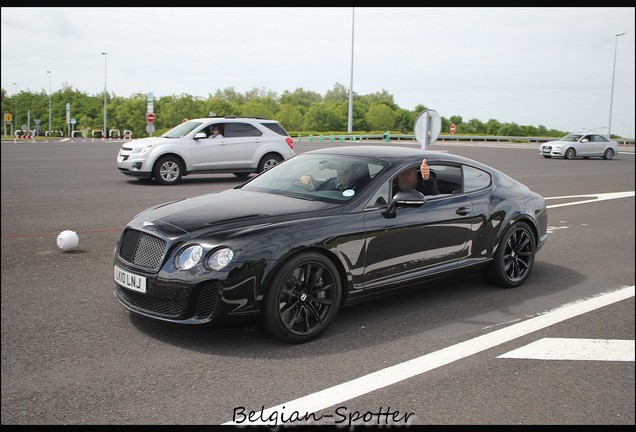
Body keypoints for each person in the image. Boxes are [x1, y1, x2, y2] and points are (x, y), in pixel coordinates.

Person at [299, 161, 371, 193]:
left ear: (355, 173)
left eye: (346, 171)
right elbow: (318, 183)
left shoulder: (364, 190)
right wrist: (309, 178)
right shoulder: (335, 181)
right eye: (339, 170)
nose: (341, 174)